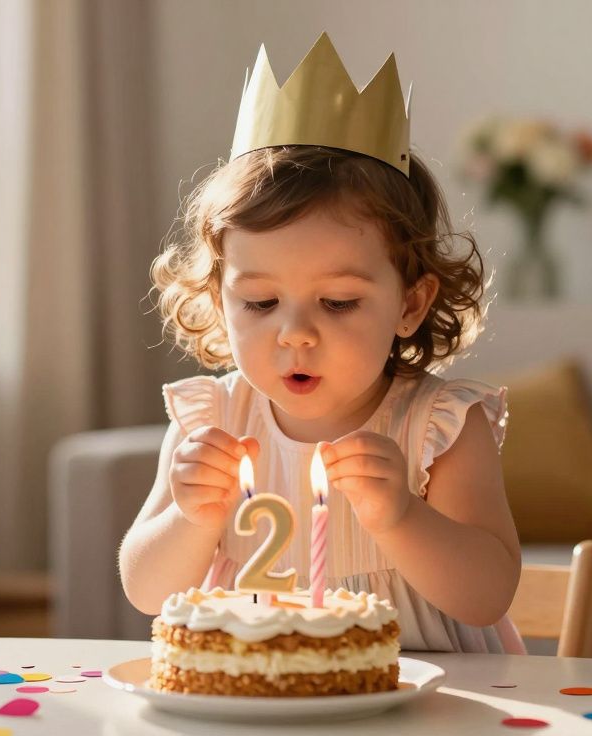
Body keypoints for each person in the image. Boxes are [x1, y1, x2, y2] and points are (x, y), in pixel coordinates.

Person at [118, 34, 523, 653]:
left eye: (337, 303)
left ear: (410, 304)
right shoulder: (213, 421)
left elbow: (487, 594)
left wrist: (401, 518)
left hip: (433, 702)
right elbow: (146, 590)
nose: (296, 333)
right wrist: (190, 518)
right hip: (258, 693)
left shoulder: (438, 427)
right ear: (221, 301)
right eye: (259, 302)